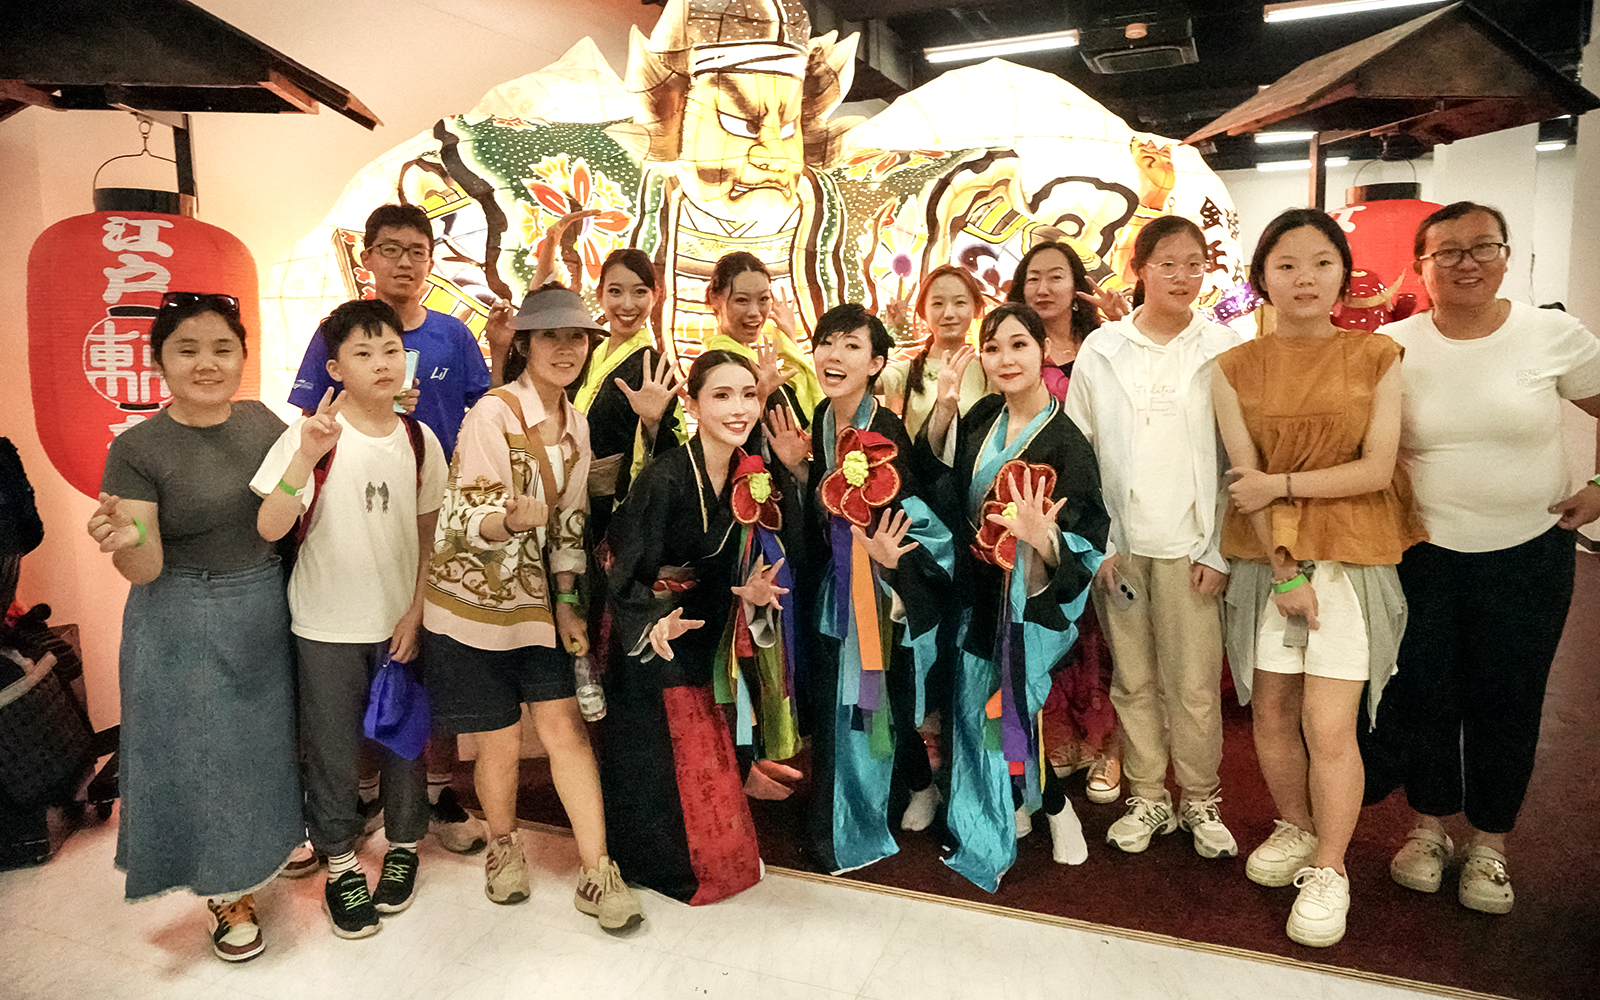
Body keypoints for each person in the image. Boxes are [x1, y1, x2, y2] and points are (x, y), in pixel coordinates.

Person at [1370, 201, 1600, 915]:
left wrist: (1599, 486)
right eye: (1448, 252)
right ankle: (1428, 829)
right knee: (1426, 692)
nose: (1466, 262)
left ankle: (1491, 844)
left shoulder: (1552, 334)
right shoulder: (1392, 343)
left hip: (1529, 555)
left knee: (1509, 698)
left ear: (1506, 257)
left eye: (1483, 248)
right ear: (1421, 266)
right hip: (1422, 554)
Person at [1212, 208, 1424, 948]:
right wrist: (1283, 572)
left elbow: (1374, 468)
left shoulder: (1377, 356)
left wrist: (1285, 486)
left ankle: (1331, 867)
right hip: (1269, 561)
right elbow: (1246, 483)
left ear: (1343, 272)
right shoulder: (1232, 369)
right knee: (1270, 711)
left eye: (1321, 262)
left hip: (1354, 558)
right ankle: (1296, 827)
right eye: (1286, 264)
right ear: (1261, 277)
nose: (1304, 278)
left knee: (1330, 724)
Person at [287, 202, 505, 859]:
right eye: (391, 250)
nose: (404, 262)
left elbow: (483, 414)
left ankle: (435, 794)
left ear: (430, 260)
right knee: (350, 680)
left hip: (437, 522)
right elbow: (305, 423)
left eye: (417, 250)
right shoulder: (335, 335)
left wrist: (498, 350)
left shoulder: (453, 336)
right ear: (370, 259)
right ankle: (354, 799)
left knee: (426, 667)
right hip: (353, 528)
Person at [88, 292, 301, 962]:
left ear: (242, 355)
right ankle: (226, 890)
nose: (206, 363)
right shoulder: (138, 447)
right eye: (187, 349)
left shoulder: (265, 423)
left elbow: (284, 517)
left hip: (262, 605)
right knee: (206, 756)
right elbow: (145, 565)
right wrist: (123, 538)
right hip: (178, 615)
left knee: (264, 747)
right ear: (159, 361)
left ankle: (264, 849)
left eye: (222, 349)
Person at [422, 284, 642, 930]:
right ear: (523, 344)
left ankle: (598, 871)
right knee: (496, 740)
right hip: (474, 604)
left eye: (577, 338)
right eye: (551, 336)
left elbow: (570, 525)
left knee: (564, 728)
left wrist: (569, 602)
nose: (566, 349)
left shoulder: (575, 423)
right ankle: (503, 847)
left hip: (539, 607)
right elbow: (462, 517)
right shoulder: (492, 414)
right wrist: (506, 521)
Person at [252, 300, 449, 938]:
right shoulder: (311, 435)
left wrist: (416, 611)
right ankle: (339, 862)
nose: (381, 363)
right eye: (363, 354)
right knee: (332, 754)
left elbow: (429, 536)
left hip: (397, 624)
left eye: (391, 350)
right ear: (335, 367)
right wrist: (305, 458)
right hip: (324, 627)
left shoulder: (420, 440)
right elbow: (268, 527)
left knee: (402, 744)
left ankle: (402, 849)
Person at [1064, 215, 1241, 860]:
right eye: (1167, 263)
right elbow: (1078, 455)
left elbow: (1233, 460)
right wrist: (1098, 546)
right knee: (1133, 680)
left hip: (1193, 546)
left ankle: (1199, 798)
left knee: (1194, 684)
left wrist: (1219, 549)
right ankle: (1148, 796)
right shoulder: (1103, 349)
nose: (1183, 276)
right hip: (1123, 547)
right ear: (1139, 270)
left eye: (1195, 263)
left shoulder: (1223, 347)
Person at [919, 302, 1110, 892]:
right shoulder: (978, 417)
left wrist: (1043, 537)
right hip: (974, 591)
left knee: (1014, 707)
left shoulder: (1067, 440)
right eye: (994, 347)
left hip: (1027, 599)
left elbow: (1091, 536)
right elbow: (939, 485)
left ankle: (1056, 810)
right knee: (975, 708)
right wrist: (944, 408)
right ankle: (1008, 802)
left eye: (1019, 345)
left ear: (1042, 353)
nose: (1006, 359)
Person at [599, 350, 801, 903]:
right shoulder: (666, 477)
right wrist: (652, 622)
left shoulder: (744, 471)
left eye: (748, 395)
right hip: (654, 630)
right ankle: (658, 863)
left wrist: (747, 589)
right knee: (665, 755)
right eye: (721, 395)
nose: (738, 409)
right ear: (690, 404)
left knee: (704, 745)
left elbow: (723, 559)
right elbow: (619, 562)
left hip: (704, 620)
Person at [766, 304, 954, 872]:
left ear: (876, 363)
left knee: (879, 699)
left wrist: (891, 563)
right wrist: (799, 472)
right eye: (827, 343)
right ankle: (897, 786)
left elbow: (916, 512)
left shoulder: (881, 429)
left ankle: (894, 795)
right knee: (849, 703)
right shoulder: (824, 414)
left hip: (881, 585)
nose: (834, 355)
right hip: (838, 582)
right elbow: (828, 500)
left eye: (852, 347)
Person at [1006, 241, 1125, 802]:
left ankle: (1106, 747)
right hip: (1031, 516)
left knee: (1100, 638)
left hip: (1093, 502)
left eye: (1057, 276)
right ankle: (1057, 736)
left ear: (1076, 285)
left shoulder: (1104, 347)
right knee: (1047, 629)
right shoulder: (1011, 348)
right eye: (1034, 278)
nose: (1044, 288)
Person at [571, 247, 685, 545]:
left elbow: (673, 453)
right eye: (615, 291)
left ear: (656, 294)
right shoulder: (588, 351)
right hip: (564, 496)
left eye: (639, 292)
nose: (627, 304)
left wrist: (652, 422)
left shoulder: (654, 366)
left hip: (611, 514)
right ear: (600, 294)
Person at [703, 252, 825, 428]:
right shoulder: (720, 364)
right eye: (742, 300)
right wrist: (760, 395)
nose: (755, 312)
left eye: (763, 299)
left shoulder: (750, 358)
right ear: (715, 298)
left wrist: (789, 336)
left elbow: (797, 403)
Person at [877, 264, 991, 439]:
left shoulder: (991, 371)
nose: (948, 313)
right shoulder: (908, 371)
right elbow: (862, 381)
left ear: (975, 308)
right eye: (937, 303)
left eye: (960, 302)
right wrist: (888, 331)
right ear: (923, 312)